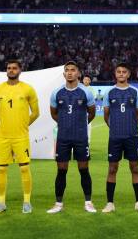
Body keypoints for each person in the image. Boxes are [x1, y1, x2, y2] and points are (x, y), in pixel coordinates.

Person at [0, 60, 40, 214]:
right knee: (1, 170)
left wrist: (24, 124)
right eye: (8, 68)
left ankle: (26, 202)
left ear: (20, 70)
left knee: (24, 168)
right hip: (3, 136)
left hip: (21, 136)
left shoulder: (28, 89)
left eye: (14, 68)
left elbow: (36, 113)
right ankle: (1, 203)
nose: (11, 70)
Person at [47, 61, 97, 214]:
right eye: (67, 70)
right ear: (64, 74)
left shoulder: (86, 92)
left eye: (73, 70)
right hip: (63, 137)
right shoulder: (56, 92)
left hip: (80, 137)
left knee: (84, 169)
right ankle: (58, 203)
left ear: (78, 73)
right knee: (61, 170)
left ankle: (88, 202)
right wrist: (65, 124)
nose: (69, 72)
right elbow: (54, 113)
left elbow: (92, 113)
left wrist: (80, 125)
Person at [101, 63, 138, 213]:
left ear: (128, 74)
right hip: (115, 137)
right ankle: (110, 203)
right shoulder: (109, 92)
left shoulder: (135, 92)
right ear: (115, 74)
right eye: (118, 72)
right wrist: (115, 128)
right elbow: (106, 115)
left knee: (135, 168)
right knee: (112, 169)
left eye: (124, 72)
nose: (121, 74)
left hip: (132, 136)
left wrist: (130, 126)